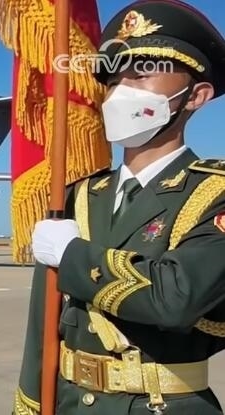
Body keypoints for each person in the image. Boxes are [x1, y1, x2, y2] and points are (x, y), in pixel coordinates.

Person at [17, 2, 225, 413]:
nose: (119, 92)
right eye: (113, 80)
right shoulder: (77, 196)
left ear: (196, 96)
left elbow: (176, 297)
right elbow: (42, 329)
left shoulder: (212, 192)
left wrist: (72, 255)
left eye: (141, 74)